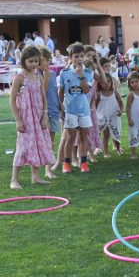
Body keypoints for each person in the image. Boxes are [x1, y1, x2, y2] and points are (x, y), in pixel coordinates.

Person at [9, 46, 56, 189]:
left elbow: (43, 97)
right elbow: (11, 100)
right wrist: (18, 120)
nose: (34, 64)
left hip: (38, 116)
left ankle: (35, 176)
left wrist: (44, 116)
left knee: (37, 144)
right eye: (31, 61)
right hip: (25, 117)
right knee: (23, 147)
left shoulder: (38, 76)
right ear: (23, 61)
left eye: (36, 61)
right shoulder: (19, 77)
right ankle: (14, 179)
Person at [58, 42, 94, 174]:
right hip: (70, 110)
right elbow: (61, 91)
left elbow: (85, 90)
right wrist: (61, 107)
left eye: (81, 56)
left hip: (84, 110)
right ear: (70, 58)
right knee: (70, 137)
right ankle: (66, 163)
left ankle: (83, 162)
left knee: (84, 136)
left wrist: (81, 75)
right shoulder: (64, 73)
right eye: (76, 56)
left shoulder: (88, 72)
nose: (79, 59)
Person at [37, 45, 61, 180]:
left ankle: (48, 169)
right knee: (44, 141)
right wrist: (45, 76)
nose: (44, 63)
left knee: (50, 142)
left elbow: (54, 91)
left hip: (54, 110)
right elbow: (42, 93)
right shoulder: (38, 76)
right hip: (43, 113)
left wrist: (60, 104)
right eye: (41, 60)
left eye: (46, 60)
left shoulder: (52, 74)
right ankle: (44, 167)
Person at [96, 72, 123, 157]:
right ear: (100, 83)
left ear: (111, 82)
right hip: (104, 117)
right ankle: (106, 152)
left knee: (116, 134)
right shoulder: (99, 94)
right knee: (106, 135)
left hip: (114, 116)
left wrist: (120, 110)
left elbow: (120, 103)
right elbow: (96, 106)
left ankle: (118, 149)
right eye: (104, 82)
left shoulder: (115, 93)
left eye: (108, 81)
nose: (106, 84)